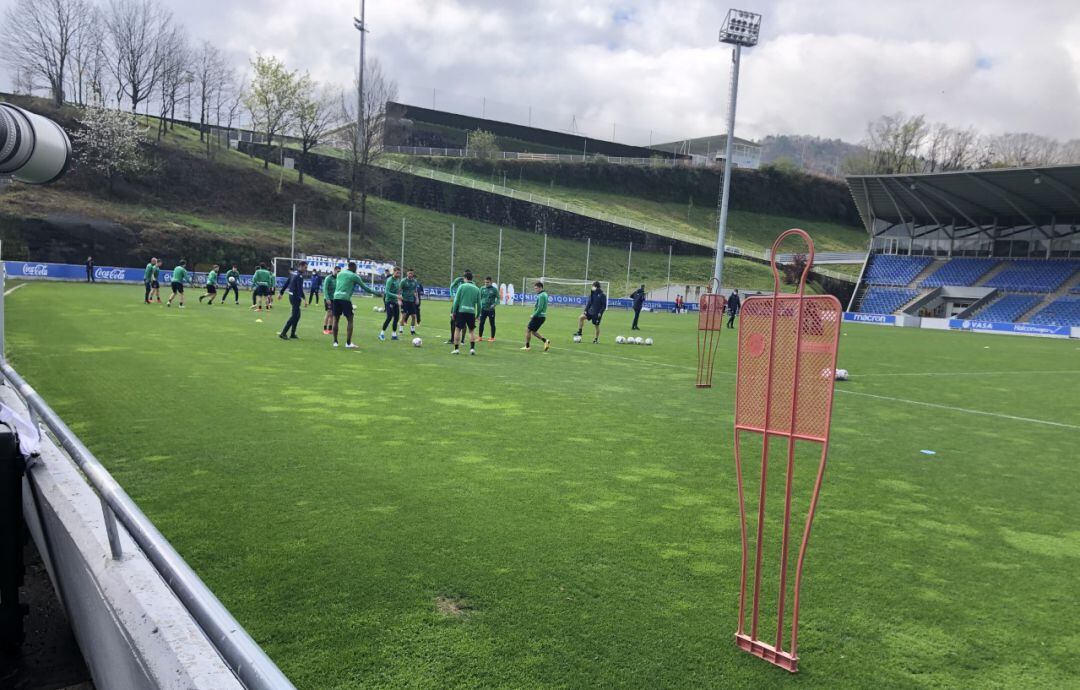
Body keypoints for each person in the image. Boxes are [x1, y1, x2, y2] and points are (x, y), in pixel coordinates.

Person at [331, 261, 378, 349]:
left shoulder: (340, 274)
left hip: (336, 297)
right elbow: (365, 288)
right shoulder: (354, 276)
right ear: (353, 268)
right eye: (356, 269)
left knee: (336, 319)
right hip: (345, 298)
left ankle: (335, 342)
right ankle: (348, 343)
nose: (356, 270)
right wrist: (376, 293)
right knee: (350, 320)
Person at [451, 270, 481, 355]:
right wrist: (478, 314)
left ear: (465, 278)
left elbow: (456, 300)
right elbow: (479, 304)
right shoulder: (477, 289)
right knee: (471, 331)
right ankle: (472, 349)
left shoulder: (462, 286)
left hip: (461, 311)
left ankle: (456, 349)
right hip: (471, 312)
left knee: (457, 329)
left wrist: (454, 311)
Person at [278, 260, 307, 340]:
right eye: (305, 267)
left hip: (291, 296)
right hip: (295, 297)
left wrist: (281, 292)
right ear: (301, 266)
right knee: (294, 316)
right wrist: (304, 299)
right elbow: (300, 289)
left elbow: (287, 283)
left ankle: (292, 334)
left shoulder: (293, 273)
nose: (306, 269)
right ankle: (283, 333)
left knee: (297, 315)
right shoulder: (300, 276)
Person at [521, 281, 551, 352]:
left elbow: (540, 308)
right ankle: (545, 341)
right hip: (542, 317)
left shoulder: (541, 295)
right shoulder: (545, 294)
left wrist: (533, 315)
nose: (535, 290)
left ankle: (527, 346)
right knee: (533, 332)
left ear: (540, 288)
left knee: (528, 330)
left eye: (536, 288)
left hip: (538, 316)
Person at [379, 266, 403, 341]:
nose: (398, 274)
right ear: (393, 272)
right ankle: (381, 334)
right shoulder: (389, 280)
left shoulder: (397, 280)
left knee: (396, 318)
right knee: (389, 317)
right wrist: (397, 296)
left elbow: (398, 290)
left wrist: (399, 300)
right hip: (389, 301)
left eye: (399, 273)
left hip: (395, 301)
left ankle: (394, 335)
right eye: (397, 272)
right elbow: (387, 292)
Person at [399, 269, 421, 336]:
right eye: (409, 273)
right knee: (403, 316)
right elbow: (399, 290)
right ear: (407, 273)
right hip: (404, 300)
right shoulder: (403, 281)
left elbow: (415, 291)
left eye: (412, 273)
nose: (410, 275)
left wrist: (417, 298)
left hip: (412, 301)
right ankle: (401, 330)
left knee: (414, 316)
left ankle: (412, 331)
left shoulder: (414, 281)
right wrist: (399, 300)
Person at [478, 276, 499, 341]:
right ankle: (480, 337)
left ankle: (492, 338)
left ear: (491, 282)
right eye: (485, 282)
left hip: (491, 310)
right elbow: (479, 298)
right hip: (483, 309)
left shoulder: (494, 289)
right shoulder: (482, 288)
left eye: (487, 282)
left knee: (492, 323)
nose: (486, 283)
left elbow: (498, 299)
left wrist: (494, 304)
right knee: (481, 323)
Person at [445, 276, 464, 344]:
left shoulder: (471, 284)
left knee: (463, 323)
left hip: (463, 306)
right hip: (456, 304)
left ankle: (462, 340)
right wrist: (452, 295)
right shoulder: (459, 280)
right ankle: (453, 339)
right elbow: (451, 286)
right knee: (452, 321)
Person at [322, 265, 340, 335]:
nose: (338, 273)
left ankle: (330, 329)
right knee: (328, 313)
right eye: (337, 271)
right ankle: (324, 329)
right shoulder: (328, 278)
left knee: (332, 314)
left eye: (339, 271)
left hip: (334, 299)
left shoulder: (338, 278)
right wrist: (327, 298)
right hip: (328, 298)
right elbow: (325, 289)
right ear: (334, 270)